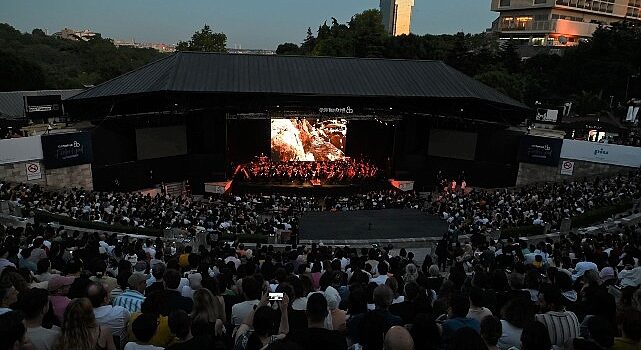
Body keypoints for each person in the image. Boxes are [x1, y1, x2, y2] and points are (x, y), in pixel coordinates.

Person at [535, 285, 579, 349]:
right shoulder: (573, 315)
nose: (537, 303)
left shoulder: (539, 319)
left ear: (551, 305)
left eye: (541, 301)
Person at [87, 282, 131, 347]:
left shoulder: (83, 316)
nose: (110, 295)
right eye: (108, 293)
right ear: (105, 299)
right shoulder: (120, 312)